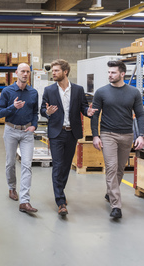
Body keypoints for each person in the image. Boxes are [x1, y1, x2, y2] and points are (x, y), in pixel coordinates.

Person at [40, 59, 97, 216]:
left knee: (65, 167)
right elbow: (42, 110)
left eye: (56, 70)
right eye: (53, 70)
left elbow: (83, 107)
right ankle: (60, 201)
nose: (53, 73)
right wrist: (47, 112)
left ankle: (60, 192)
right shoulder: (49, 90)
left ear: (65, 72)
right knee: (58, 166)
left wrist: (88, 112)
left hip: (72, 133)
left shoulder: (78, 90)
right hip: (56, 134)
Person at [91, 60, 144, 219]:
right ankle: (116, 206)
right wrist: (95, 135)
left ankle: (110, 193)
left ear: (122, 74)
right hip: (108, 135)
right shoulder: (101, 92)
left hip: (127, 135)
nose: (110, 75)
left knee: (120, 169)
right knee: (112, 168)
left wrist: (141, 134)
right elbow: (95, 115)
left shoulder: (134, 92)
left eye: (113, 72)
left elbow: (140, 115)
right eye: (108, 72)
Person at [0, 63, 39, 214]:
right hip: (11, 130)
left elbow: (35, 112)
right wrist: (13, 107)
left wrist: (34, 125)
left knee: (27, 165)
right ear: (16, 73)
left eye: (28, 71)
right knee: (10, 163)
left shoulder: (33, 92)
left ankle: (25, 201)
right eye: (23, 71)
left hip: (27, 132)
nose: (25, 74)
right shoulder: (7, 91)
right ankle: (11, 188)